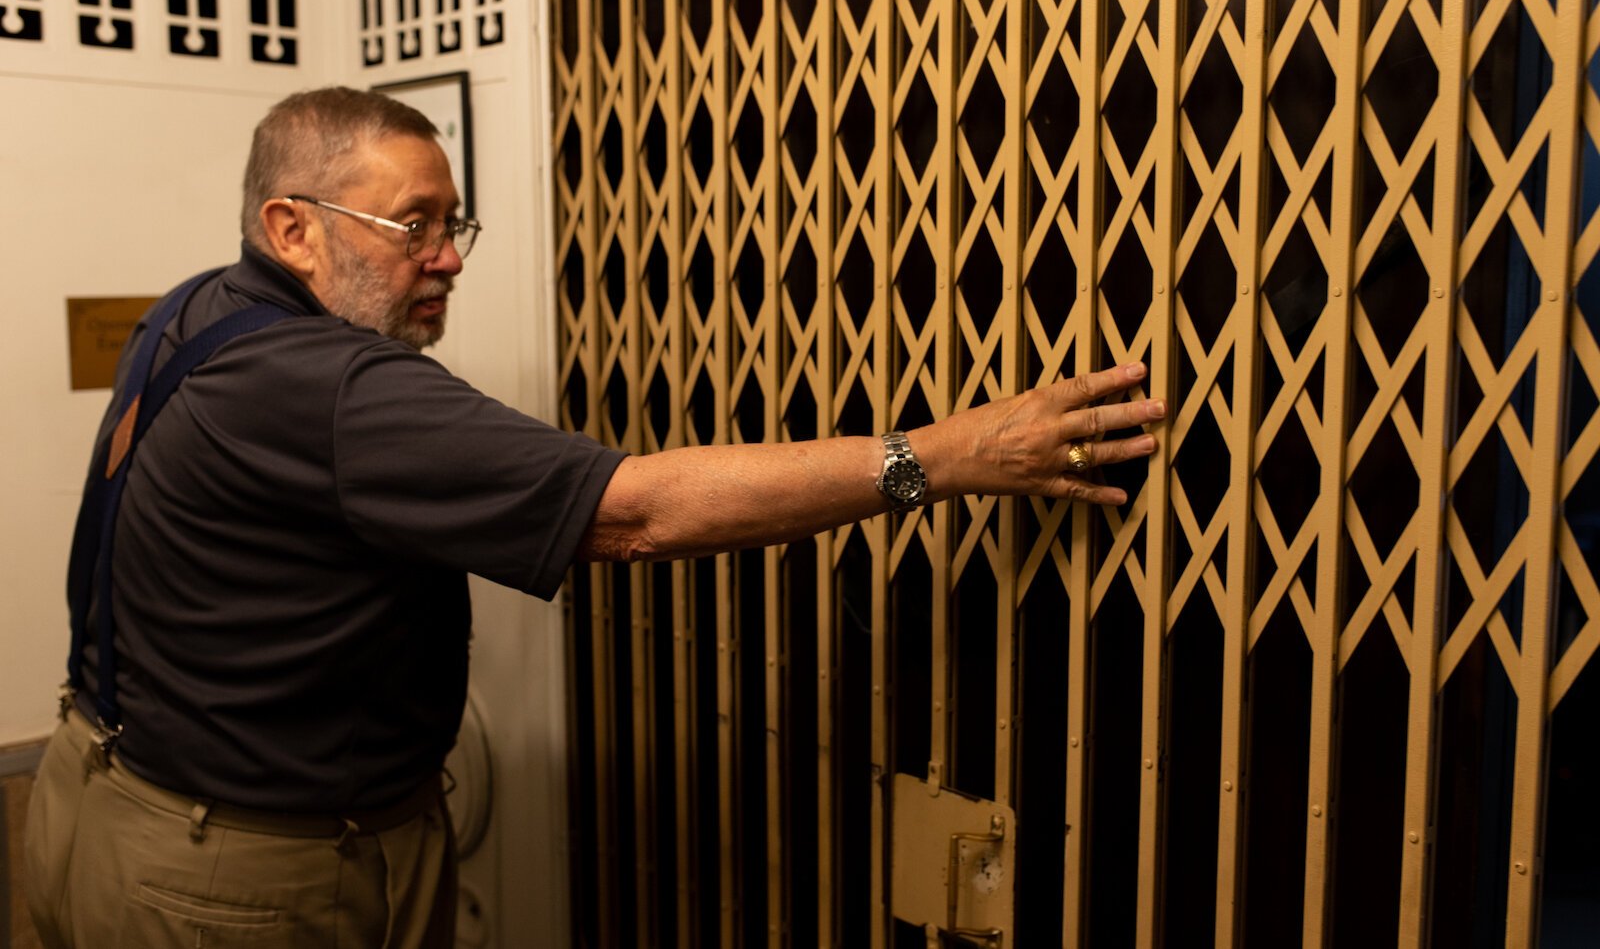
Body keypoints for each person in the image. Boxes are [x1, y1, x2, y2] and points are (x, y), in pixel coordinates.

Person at [24, 87, 1165, 948]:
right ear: (291, 227)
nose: (444, 260)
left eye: (454, 225)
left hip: (107, 790)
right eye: (412, 225)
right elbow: (636, 512)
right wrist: (954, 453)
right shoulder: (332, 389)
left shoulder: (195, 311)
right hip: (237, 871)